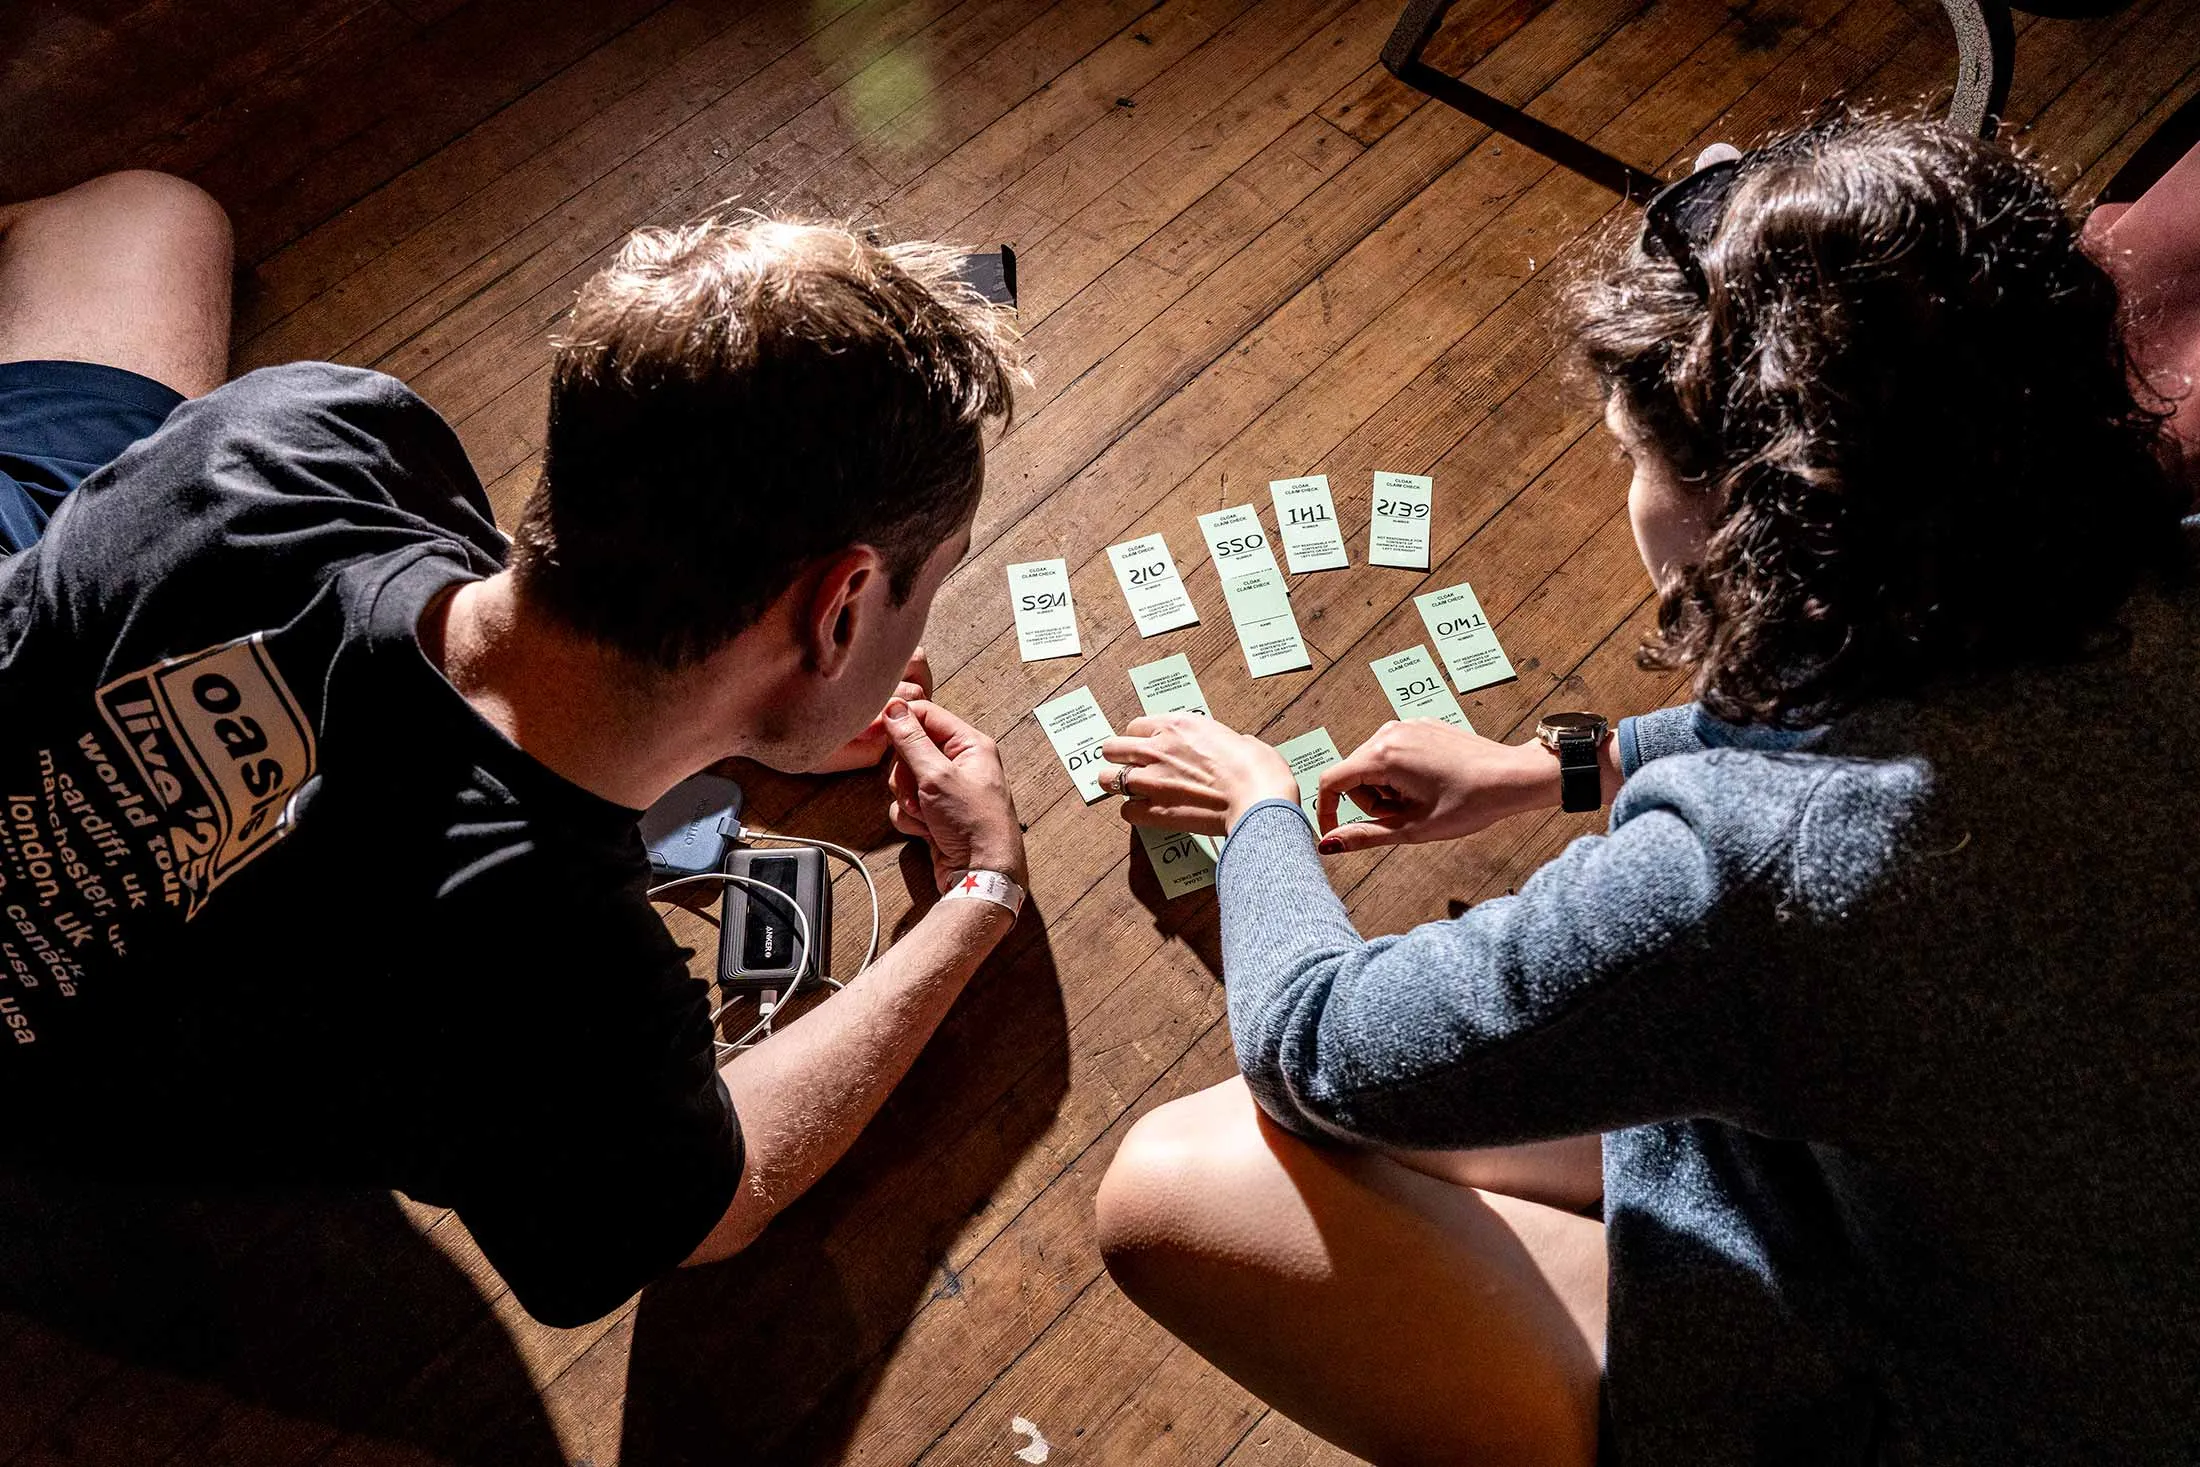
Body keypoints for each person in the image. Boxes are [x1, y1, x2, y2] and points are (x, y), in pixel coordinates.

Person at [1089, 115, 2200, 1465]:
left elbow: (1321, 1044)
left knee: (1175, 1180)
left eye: (1631, 454)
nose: (1623, 485)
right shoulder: (2129, 557)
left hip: (1968, 1405)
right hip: (2070, 1241)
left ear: (1745, 516)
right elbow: (1903, 720)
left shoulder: (1757, 881)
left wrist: (1261, 804)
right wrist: (1563, 762)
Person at [0, 174, 1032, 1328]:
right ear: (839, 609)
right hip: (68, 1090)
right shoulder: (552, 980)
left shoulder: (299, 437)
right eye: (926, 586)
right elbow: (716, 1202)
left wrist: (755, 709)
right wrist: (979, 894)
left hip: (41, 602)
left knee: (151, 216)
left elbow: (487, 656)